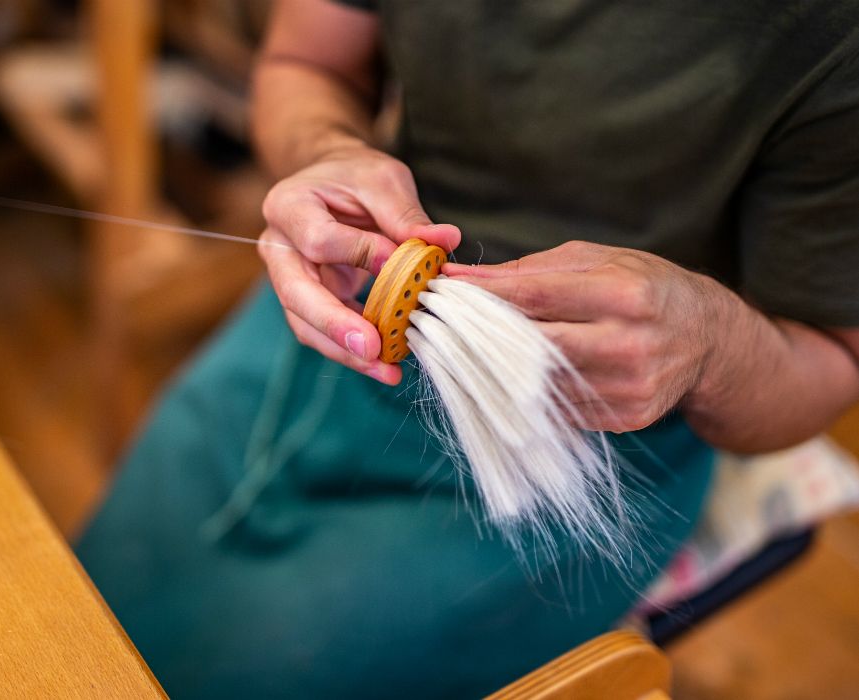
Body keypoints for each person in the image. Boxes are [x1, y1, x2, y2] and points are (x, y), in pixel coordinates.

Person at [76, 1, 859, 697]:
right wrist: (324, 155)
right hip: (355, 316)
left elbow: (834, 356)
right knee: (94, 592)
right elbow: (303, 60)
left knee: (260, 666)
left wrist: (710, 344)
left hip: (590, 429)